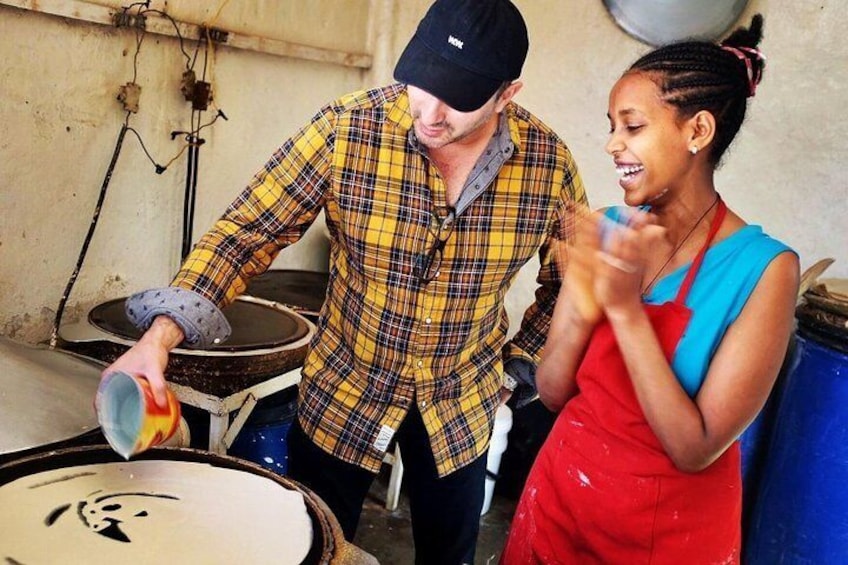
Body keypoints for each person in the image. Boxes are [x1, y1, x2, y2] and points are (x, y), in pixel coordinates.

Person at [101, 0, 588, 563]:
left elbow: (567, 286)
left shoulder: (548, 164)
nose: (428, 112)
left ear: (508, 93)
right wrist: (157, 340)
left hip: (461, 408)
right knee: (315, 547)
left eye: (458, 98)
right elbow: (245, 234)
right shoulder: (346, 128)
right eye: (421, 84)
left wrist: (517, 370)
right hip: (343, 395)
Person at [500, 14, 799, 565]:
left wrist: (624, 311)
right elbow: (555, 391)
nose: (612, 144)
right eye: (612, 125)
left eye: (632, 126)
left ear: (697, 132)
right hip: (561, 502)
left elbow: (695, 447)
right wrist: (584, 307)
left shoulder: (765, 271)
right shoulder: (610, 227)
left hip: (667, 536)